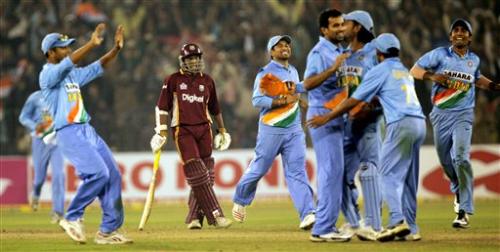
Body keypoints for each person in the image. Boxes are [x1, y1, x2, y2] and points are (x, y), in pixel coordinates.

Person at [308, 33, 426, 242]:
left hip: (400, 123)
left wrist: (327, 116)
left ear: (379, 53)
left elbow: (354, 100)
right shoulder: (404, 71)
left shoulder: (380, 69)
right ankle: (410, 227)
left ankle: (396, 222)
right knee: (406, 177)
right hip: (420, 122)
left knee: (386, 174)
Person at [39, 23, 132, 244]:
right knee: (99, 173)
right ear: (50, 53)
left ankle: (106, 232)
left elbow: (97, 66)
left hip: (86, 129)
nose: (68, 50)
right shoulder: (48, 75)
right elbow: (68, 64)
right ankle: (72, 217)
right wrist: (91, 43)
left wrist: (115, 50)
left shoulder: (72, 76)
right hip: (68, 131)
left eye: (68, 46)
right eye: (62, 48)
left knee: (113, 175)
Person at [409, 18, 500, 229]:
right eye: (456, 30)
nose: (459, 33)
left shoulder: (474, 60)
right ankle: (458, 187)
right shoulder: (440, 54)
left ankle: (463, 210)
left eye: (464, 30)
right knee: (445, 161)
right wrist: (433, 76)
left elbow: (476, 79)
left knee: (461, 157)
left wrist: (494, 86)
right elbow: (414, 70)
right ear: (451, 36)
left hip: (464, 114)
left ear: (469, 37)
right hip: (440, 114)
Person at [231, 35, 316, 230]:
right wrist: (279, 102)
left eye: (287, 45)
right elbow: (257, 100)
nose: (285, 47)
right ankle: (241, 199)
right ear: (271, 52)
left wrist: (303, 96)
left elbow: (295, 89)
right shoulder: (266, 73)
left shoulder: (293, 70)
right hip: (271, 129)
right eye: (279, 46)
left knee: (297, 172)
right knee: (259, 168)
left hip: (294, 130)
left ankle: (308, 214)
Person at [150, 43, 232, 230]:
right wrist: (161, 131)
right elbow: (162, 107)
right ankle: (216, 215)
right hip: (183, 129)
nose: (194, 61)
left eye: (197, 58)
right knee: (196, 170)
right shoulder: (173, 80)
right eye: (190, 58)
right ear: (183, 61)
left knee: (206, 174)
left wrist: (222, 130)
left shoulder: (208, 81)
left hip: (205, 129)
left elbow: (215, 109)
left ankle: (194, 216)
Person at [303, 9, 351, 242]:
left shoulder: (341, 50)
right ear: (324, 30)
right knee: (330, 171)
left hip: (337, 114)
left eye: (342, 24)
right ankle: (323, 228)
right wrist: (332, 69)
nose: (341, 29)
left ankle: (328, 223)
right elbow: (308, 83)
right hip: (322, 115)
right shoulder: (319, 52)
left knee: (336, 172)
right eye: (335, 26)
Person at [336, 10, 384, 241]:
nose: (341, 27)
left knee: (369, 169)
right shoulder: (342, 55)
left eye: (346, 23)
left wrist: (372, 108)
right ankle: (355, 222)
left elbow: (387, 85)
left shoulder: (375, 54)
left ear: (358, 27)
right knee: (337, 174)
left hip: (368, 121)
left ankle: (375, 225)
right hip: (345, 122)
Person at [19, 90, 65, 223]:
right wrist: (36, 126)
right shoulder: (35, 97)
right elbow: (23, 117)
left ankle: (58, 211)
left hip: (57, 140)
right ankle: (36, 193)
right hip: (40, 141)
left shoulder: (62, 96)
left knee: (59, 175)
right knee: (39, 178)